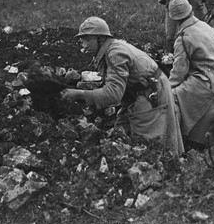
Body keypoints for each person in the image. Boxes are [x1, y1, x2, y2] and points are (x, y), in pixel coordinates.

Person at [60, 17, 184, 156]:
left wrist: (78, 94)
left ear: (100, 38)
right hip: (135, 94)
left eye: (88, 39)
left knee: (147, 145)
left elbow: (113, 94)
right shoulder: (108, 51)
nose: (84, 45)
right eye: (82, 40)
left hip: (149, 94)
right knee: (119, 136)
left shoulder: (115, 53)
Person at [167, 0, 214, 147]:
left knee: (172, 97)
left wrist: (166, 88)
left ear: (174, 18)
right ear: (190, 10)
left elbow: (179, 73)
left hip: (209, 81)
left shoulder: (183, 37)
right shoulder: (204, 26)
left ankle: (181, 141)